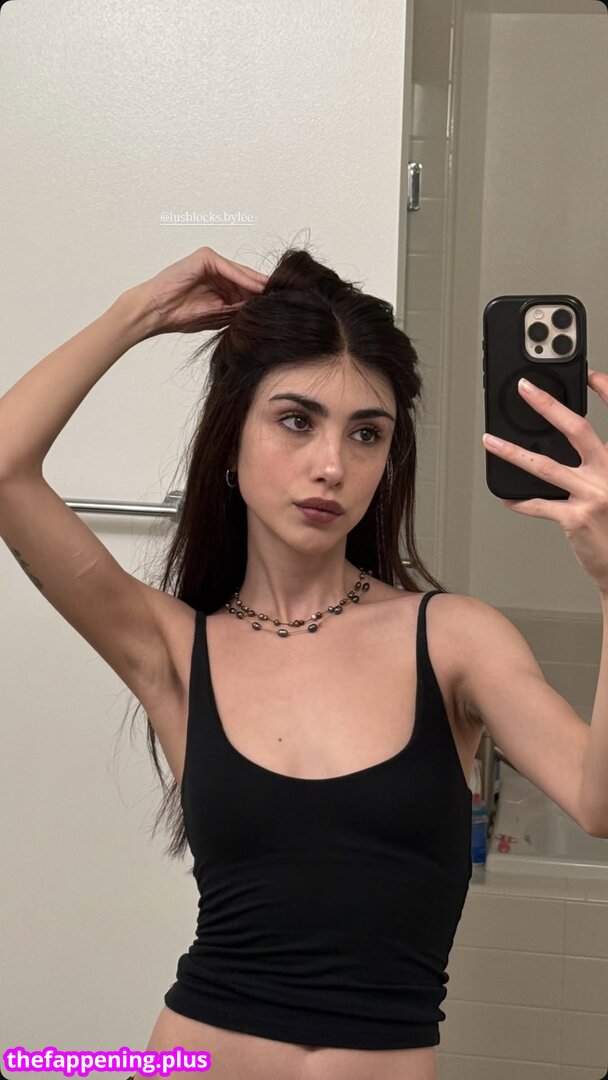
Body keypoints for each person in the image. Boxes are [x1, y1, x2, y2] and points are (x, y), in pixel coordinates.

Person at [0, 245, 478, 1080]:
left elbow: (595, 800)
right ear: (232, 441)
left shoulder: (453, 639)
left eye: (366, 434)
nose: (331, 464)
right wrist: (139, 312)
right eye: (296, 420)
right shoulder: (175, 652)